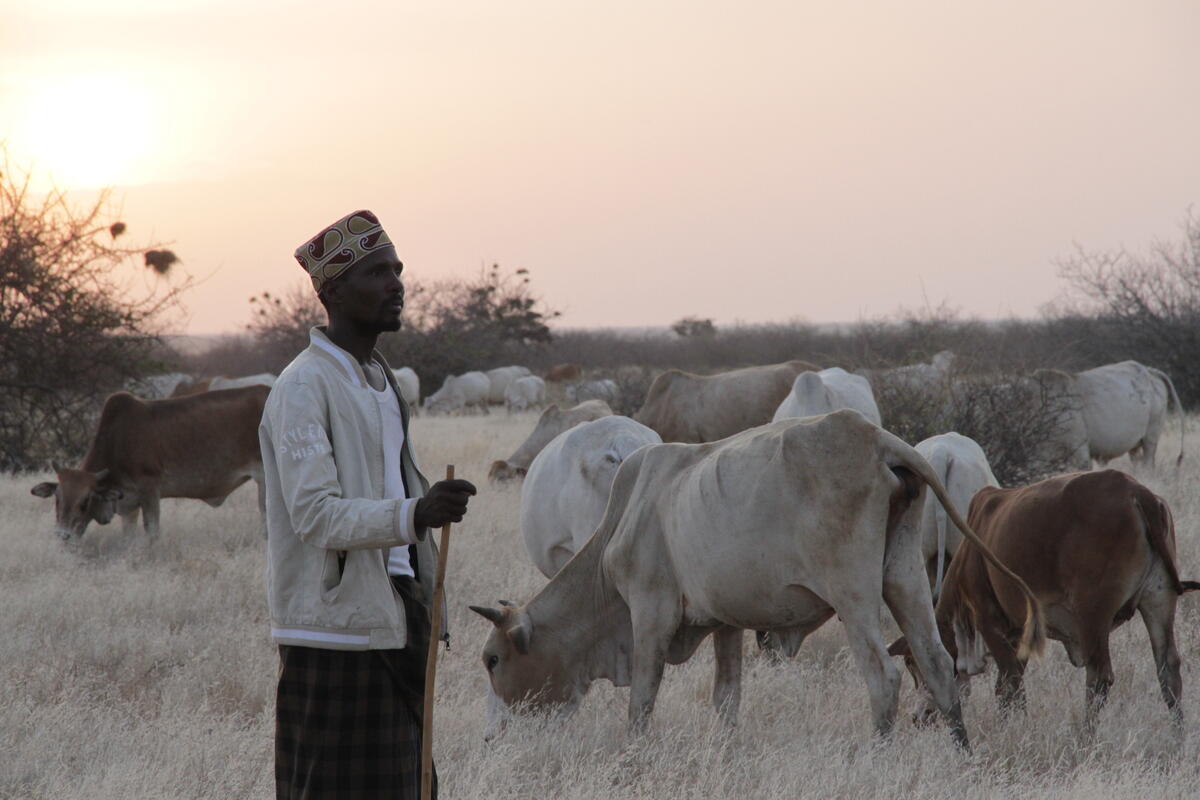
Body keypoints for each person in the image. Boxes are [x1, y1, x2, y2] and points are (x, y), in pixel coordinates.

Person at [259, 209, 476, 799]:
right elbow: (315, 516)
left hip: (396, 614)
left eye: (398, 270)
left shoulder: (383, 381)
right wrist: (415, 514)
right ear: (331, 291)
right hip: (333, 630)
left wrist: (423, 528)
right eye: (377, 272)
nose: (396, 284)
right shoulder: (303, 387)